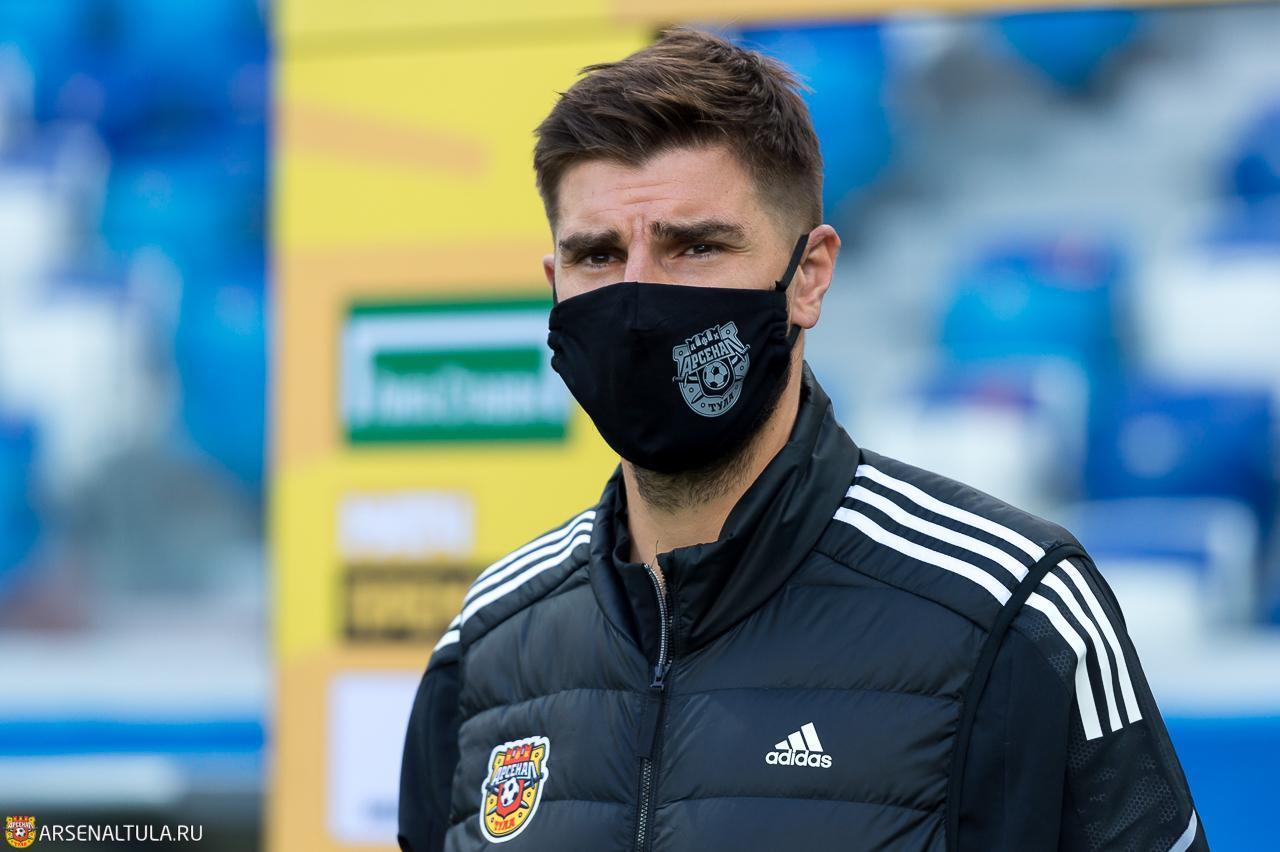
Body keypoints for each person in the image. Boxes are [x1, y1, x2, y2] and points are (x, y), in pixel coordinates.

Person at [398, 28, 1206, 852]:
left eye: (695, 247)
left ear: (809, 275)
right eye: (598, 255)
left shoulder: (1010, 610)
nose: (637, 301)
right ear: (555, 284)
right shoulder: (486, 643)